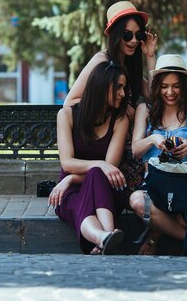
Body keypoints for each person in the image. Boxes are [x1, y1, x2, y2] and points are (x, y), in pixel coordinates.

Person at [129, 54, 187, 256]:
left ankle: (156, 233)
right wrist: (153, 139)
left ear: (184, 86)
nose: (170, 92)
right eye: (165, 86)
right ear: (157, 86)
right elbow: (135, 149)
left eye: (176, 86)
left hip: (185, 186)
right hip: (153, 186)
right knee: (136, 201)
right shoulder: (145, 109)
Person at [48, 61, 130, 255]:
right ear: (101, 86)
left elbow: (108, 172)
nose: (123, 94)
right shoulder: (66, 115)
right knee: (80, 202)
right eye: (118, 87)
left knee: (96, 174)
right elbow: (67, 162)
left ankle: (104, 239)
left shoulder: (120, 119)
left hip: (105, 190)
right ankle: (106, 236)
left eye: (124, 88)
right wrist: (99, 164)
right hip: (70, 192)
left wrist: (71, 178)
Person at [63, 0, 158, 119]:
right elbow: (70, 102)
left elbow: (154, 97)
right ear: (115, 35)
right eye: (127, 35)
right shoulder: (102, 60)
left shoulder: (129, 65)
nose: (134, 40)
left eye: (138, 35)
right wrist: (113, 104)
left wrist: (150, 56)